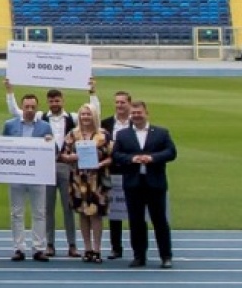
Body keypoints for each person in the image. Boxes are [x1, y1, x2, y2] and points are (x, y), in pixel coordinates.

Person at [7, 78, 99, 259]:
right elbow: (16, 111)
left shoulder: (72, 118)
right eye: (52, 101)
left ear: (62, 101)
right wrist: (10, 91)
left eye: (57, 100)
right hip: (44, 166)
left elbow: (94, 113)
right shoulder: (41, 118)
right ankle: (48, 244)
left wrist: (92, 93)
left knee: (68, 207)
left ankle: (72, 244)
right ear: (47, 102)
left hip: (66, 166)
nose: (55, 103)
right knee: (46, 208)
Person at [110, 100, 176, 269]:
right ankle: (139, 255)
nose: (137, 116)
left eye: (140, 112)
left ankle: (166, 255)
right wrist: (132, 159)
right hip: (133, 184)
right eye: (134, 113)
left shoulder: (161, 133)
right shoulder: (123, 135)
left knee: (159, 220)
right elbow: (116, 155)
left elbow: (171, 152)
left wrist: (153, 158)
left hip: (155, 183)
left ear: (147, 113)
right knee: (136, 221)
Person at [3, 89, 54, 261]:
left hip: (38, 175)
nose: (30, 110)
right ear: (22, 107)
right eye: (27, 106)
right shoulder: (10, 125)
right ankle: (19, 248)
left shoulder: (45, 127)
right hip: (16, 174)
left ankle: (38, 248)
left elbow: (53, 151)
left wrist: (49, 143)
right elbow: (3, 148)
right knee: (16, 213)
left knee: (39, 212)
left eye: (33, 107)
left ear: (37, 108)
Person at [60, 103, 112, 263]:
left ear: (94, 116)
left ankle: (97, 249)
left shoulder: (103, 135)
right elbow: (62, 155)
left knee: (95, 214)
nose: (85, 117)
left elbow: (112, 156)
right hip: (78, 179)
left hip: (97, 180)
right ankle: (87, 248)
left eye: (88, 114)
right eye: (83, 114)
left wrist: (101, 164)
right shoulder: (73, 134)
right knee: (83, 213)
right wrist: (71, 158)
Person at [99, 89, 133, 259]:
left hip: (131, 171)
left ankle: (137, 248)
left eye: (123, 102)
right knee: (114, 211)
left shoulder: (136, 123)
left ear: (129, 104)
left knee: (135, 211)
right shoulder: (105, 124)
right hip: (111, 170)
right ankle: (115, 247)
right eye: (117, 102)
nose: (119, 105)